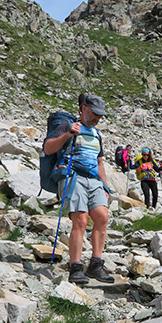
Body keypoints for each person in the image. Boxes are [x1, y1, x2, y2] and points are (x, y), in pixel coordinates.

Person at [42, 94, 114, 285]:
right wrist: (68, 134)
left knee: (102, 217)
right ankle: (75, 267)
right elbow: (48, 148)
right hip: (73, 176)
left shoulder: (96, 134)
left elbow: (99, 162)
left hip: (94, 180)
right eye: (94, 113)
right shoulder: (68, 125)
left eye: (100, 115)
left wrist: (105, 186)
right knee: (81, 220)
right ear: (83, 109)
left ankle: (95, 265)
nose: (97, 118)